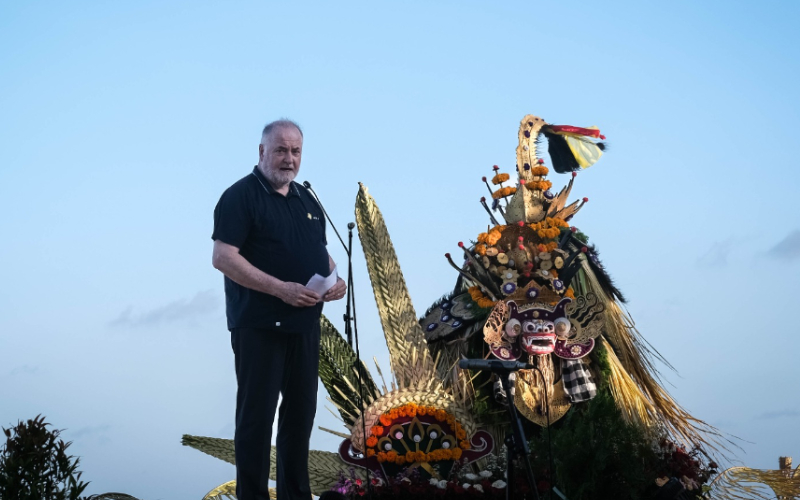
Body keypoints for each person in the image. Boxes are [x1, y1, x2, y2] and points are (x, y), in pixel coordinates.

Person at [211, 119, 346, 500]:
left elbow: (319, 251)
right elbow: (223, 257)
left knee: (300, 417)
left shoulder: (307, 200)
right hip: (259, 324)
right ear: (262, 152)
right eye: (282, 150)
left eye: (296, 151)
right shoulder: (240, 196)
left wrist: (335, 281)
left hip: (304, 324)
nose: (289, 159)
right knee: (257, 419)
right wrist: (280, 289)